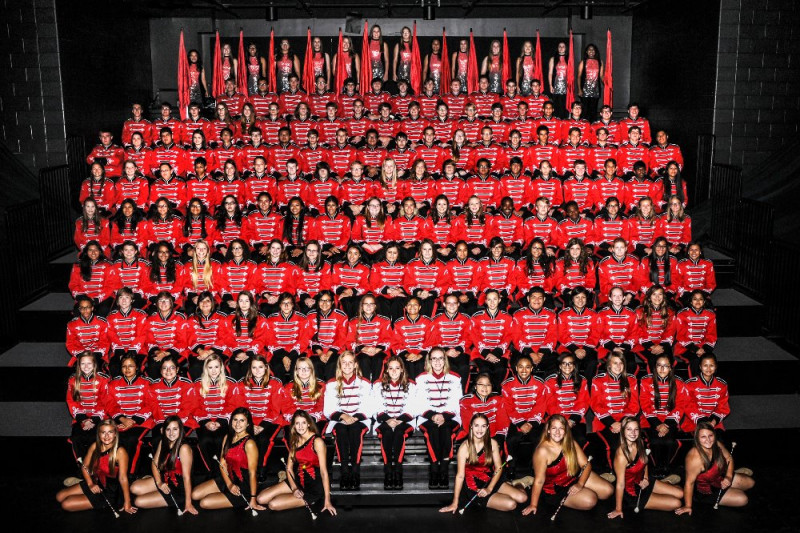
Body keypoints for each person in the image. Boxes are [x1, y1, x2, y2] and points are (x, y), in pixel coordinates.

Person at [522, 414, 613, 515]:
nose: (557, 432)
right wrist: (533, 504)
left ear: (565, 430)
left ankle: (585, 489)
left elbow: (586, 465)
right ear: (548, 430)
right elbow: (539, 481)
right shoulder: (542, 451)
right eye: (554, 428)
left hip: (573, 477)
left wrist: (580, 484)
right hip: (556, 489)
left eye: (561, 428)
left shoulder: (571, 442)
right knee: (591, 500)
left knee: (608, 490)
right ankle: (525, 482)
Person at [440, 413, 528, 514]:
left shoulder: (493, 443)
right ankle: (497, 494)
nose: (480, 429)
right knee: (511, 504)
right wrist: (455, 503)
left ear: (487, 427)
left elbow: (499, 468)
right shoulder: (464, 448)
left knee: (523, 498)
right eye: (476, 425)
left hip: (489, 480)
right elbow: (460, 476)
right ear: (471, 427)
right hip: (473, 486)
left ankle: (519, 483)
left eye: (483, 426)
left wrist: (489, 489)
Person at [256, 410, 336, 515]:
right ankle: (292, 495)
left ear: (309, 424)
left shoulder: (317, 442)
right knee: (260, 499)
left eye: (303, 423)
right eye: (297, 423)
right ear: (293, 425)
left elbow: (324, 473)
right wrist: (294, 488)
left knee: (273, 504)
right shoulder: (295, 440)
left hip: (313, 486)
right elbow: (289, 468)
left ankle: (310, 499)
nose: (300, 426)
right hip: (298, 480)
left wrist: (327, 500)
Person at [607, 417, 683, 519]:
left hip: (643, 481)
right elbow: (620, 484)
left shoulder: (640, 443)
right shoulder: (622, 455)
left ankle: (664, 484)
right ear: (623, 431)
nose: (633, 433)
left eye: (636, 429)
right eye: (629, 429)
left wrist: (646, 478)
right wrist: (618, 509)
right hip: (632, 493)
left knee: (681, 493)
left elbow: (644, 462)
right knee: (677, 503)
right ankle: (661, 487)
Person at [192, 407, 265, 512]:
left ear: (248, 424)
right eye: (235, 420)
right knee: (194, 494)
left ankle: (240, 499)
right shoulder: (228, 437)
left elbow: (252, 473)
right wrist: (229, 484)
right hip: (228, 479)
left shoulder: (249, 443)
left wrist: (253, 498)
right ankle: (224, 493)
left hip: (243, 487)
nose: (238, 424)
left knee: (204, 503)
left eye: (242, 420)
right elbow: (222, 463)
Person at [57, 419, 137, 514]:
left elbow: (123, 478)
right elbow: (85, 466)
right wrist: (90, 484)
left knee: (66, 504)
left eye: (110, 432)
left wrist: (127, 502)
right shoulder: (95, 446)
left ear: (115, 434)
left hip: (110, 492)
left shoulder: (120, 452)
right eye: (103, 432)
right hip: (95, 483)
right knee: (59, 496)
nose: (106, 436)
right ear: (99, 434)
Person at [675, 422, 755, 514]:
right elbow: (689, 483)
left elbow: (728, 458)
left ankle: (730, 480)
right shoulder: (694, 458)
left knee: (751, 483)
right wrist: (688, 506)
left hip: (719, 477)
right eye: (703, 437)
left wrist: (728, 477)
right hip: (706, 491)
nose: (708, 440)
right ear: (697, 438)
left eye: (710, 435)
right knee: (743, 499)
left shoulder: (716, 444)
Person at [324, 351, 373, 490]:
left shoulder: (365, 383)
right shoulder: (332, 383)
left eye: (350, 362)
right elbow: (328, 409)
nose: (347, 365)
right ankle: (344, 471)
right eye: (344, 362)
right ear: (339, 365)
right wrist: (343, 416)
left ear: (355, 364)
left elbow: (369, 407)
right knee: (340, 430)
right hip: (339, 420)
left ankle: (355, 471)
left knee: (355, 429)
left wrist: (355, 417)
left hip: (359, 419)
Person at [415, 347, 462, 489]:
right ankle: (434, 468)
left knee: (446, 431)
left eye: (440, 358)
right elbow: (419, 403)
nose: (437, 361)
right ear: (429, 361)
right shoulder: (421, 378)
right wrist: (433, 416)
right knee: (433, 431)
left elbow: (457, 402)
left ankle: (444, 469)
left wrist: (444, 416)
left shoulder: (455, 378)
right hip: (427, 417)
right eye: (434, 358)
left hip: (450, 416)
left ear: (445, 360)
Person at [130, 416, 198, 514]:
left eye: (175, 429)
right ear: (163, 430)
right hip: (165, 480)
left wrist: (188, 503)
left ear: (181, 430)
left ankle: (158, 491)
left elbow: (187, 477)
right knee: (134, 488)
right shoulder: (163, 442)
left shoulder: (184, 448)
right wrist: (159, 483)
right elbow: (155, 464)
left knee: (138, 501)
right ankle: (153, 484)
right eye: (168, 429)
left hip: (178, 489)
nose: (171, 433)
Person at [370, 356, 417, 489]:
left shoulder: (411, 385)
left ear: (402, 369)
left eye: (397, 368)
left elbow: (413, 406)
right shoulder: (378, 385)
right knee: (387, 433)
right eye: (391, 368)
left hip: (404, 421)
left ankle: (398, 471)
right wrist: (388, 419)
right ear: (386, 370)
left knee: (398, 433)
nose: (394, 371)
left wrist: (399, 420)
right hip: (385, 420)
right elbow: (375, 406)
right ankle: (388, 471)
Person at [235, 355, 283, 480]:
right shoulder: (242, 383)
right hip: (249, 420)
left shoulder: (275, 383)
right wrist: (250, 425)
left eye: (260, 367)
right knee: (247, 438)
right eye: (254, 367)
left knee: (263, 439)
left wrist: (262, 426)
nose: (257, 371)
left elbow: (276, 410)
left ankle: (262, 468)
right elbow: (241, 408)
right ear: (250, 369)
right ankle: (247, 469)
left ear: (266, 367)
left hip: (270, 420)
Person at [188, 354, 239, 471]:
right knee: (205, 440)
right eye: (210, 367)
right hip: (205, 420)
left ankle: (223, 470)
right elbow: (195, 407)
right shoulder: (198, 384)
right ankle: (212, 471)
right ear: (206, 368)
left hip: (223, 421)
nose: (214, 370)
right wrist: (206, 422)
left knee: (220, 440)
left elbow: (232, 405)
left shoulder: (230, 383)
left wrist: (220, 422)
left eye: (216, 367)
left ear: (221, 367)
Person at [106, 353, 154, 475]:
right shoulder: (113, 384)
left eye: (131, 366)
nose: (127, 369)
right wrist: (123, 419)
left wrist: (132, 421)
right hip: (120, 420)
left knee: (131, 439)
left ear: (137, 367)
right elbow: (110, 405)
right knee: (115, 438)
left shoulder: (147, 383)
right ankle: (114, 472)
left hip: (140, 421)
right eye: (124, 366)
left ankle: (131, 473)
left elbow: (150, 404)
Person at [639, 355, 686, 478]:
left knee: (670, 442)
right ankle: (655, 468)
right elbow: (645, 404)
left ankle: (667, 467)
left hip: (670, 420)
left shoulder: (678, 382)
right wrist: (657, 424)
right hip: (650, 420)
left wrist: (667, 424)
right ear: (655, 367)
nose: (662, 369)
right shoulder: (645, 381)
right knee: (655, 441)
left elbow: (680, 405)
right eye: (659, 365)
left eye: (666, 366)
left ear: (670, 368)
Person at [590, 353, 640, 469]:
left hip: (625, 421)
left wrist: (622, 423)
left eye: (621, 363)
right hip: (604, 422)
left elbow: (634, 405)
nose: (618, 366)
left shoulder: (631, 380)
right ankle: (612, 470)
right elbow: (596, 405)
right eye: (615, 363)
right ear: (609, 365)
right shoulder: (598, 380)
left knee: (632, 444)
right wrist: (611, 423)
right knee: (613, 445)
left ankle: (630, 470)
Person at [502, 355, 548, 478]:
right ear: (516, 368)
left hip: (534, 420)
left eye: (527, 367)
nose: (524, 370)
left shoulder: (539, 383)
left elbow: (541, 405)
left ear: (532, 368)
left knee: (539, 438)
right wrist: (521, 423)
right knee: (511, 440)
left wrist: (531, 423)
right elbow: (508, 407)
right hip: (515, 420)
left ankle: (535, 467)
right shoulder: (507, 384)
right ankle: (511, 467)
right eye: (521, 367)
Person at [66, 352, 111, 461]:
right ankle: (82, 465)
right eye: (83, 363)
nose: (86, 366)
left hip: (100, 417)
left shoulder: (103, 379)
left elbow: (106, 402)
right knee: (76, 438)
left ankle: (96, 464)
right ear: (79, 365)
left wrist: (93, 420)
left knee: (94, 437)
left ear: (94, 364)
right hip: (81, 417)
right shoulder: (73, 380)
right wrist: (84, 419)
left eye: (89, 363)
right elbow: (71, 401)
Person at [544, 353, 590, 448]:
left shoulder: (582, 381)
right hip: (556, 419)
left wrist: (572, 420)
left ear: (574, 365)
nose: (567, 366)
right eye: (564, 363)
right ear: (560, 366)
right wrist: (562, 421)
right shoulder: (550, 381)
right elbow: (550, 404)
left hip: (575, 419)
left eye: (570, 363)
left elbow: (583, 402)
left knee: (580, 439)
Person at [682, 353, 730, 435]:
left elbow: (723, 406)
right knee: (703, 436)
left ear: (716, 367)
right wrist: (702, 421)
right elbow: (688, 405)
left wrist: (713, 421)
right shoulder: (689, 384)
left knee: (721, 439)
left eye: (711, 365)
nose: (708, 368)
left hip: (714, 422)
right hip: (694, 421)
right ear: (700, 367)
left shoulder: (722, 384)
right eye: (705, 365)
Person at [278, 356, 327, 428]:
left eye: (307, 368)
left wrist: (310, 420)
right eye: (300, 368)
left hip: (314, 419)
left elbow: (321, 406)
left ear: (312, 370)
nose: (303, 371)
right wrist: (297, 420)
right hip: (294, 419)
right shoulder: (288, 387)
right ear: (296, 371)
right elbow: (286, 408)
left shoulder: (321, 386)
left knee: (314, 433)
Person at [69, 241, 115, 317]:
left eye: (96, 250)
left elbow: (110, 286)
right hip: (84, 296)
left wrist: (98, 298)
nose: (93, 253)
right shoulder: (78, 266)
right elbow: (73, 284)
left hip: (103, 297)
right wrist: (81, 297)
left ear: (100, 251)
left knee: (103, 310)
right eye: (90, 250)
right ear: (86, 252)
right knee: (78, 313)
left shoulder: (108, 265)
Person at [577, 44, 603, 122]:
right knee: (585, 111)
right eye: (589, 49)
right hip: (584, 90)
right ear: (587, 51)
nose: (591, 51)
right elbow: (579, 76)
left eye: (593, 49)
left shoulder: (600, 62)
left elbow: (601, 76)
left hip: (596, 90)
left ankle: (593, 126)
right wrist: (579, 89)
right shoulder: (583, 62)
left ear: (595, 51)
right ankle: (584, 125)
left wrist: (607, 84)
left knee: (593, 110)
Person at [548, 41, 569, 118]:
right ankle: (556, 121)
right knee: (556, 105)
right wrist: (550, 85)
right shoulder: (553, 59)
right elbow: (550, 73)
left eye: (563, 46)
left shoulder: (569, 59)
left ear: (566, 48)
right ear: (557, 48)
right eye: (560, 46)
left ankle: (564, 121)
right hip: (556, 85)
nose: (561, 48)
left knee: (564, 105)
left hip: (566, 86)